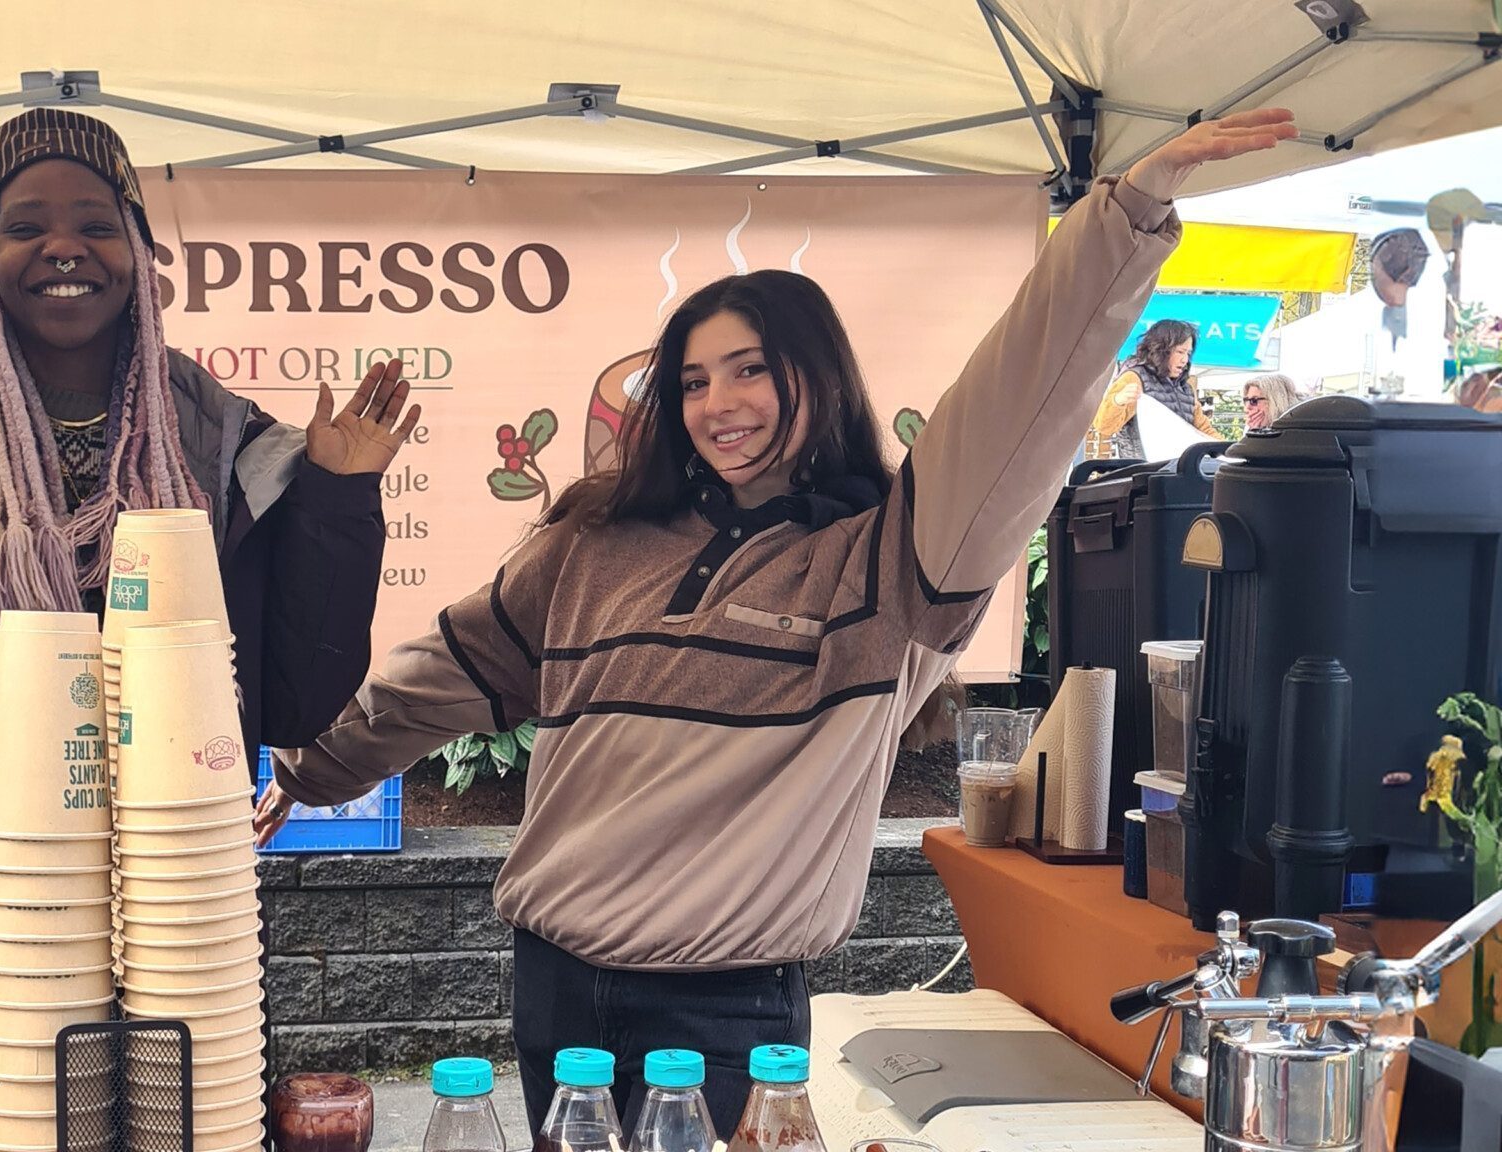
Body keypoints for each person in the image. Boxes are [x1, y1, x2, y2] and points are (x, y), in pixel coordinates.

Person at [255, 109, 1298, 1134]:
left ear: (816, 376)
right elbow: (440, 673)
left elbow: (1015, 405)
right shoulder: (592, 544)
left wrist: (1123, 217)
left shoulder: (893, 563)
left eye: (750, 367)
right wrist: (302, 772)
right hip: (555, 990)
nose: (720, 403)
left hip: (722, 1013)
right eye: (695, 379)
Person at [0, 109, 419, 1148]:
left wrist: (335, 498)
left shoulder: (227, 452)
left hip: (176, 956)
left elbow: (288, 700)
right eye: (25, 225)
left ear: (143, 257)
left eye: (97, 223)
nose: (64, 247)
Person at [1088, 319, 1222, 458]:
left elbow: (1204, 430)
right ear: (1162, 350)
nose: (1185, 360)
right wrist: (1117, 401)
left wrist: (1230, 450)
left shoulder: (1186, 388)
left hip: (1176, 472)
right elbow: (1104, 426)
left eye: (1188, 353)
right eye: (1180, 352)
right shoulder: (1134, 377)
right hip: (1143, 473)